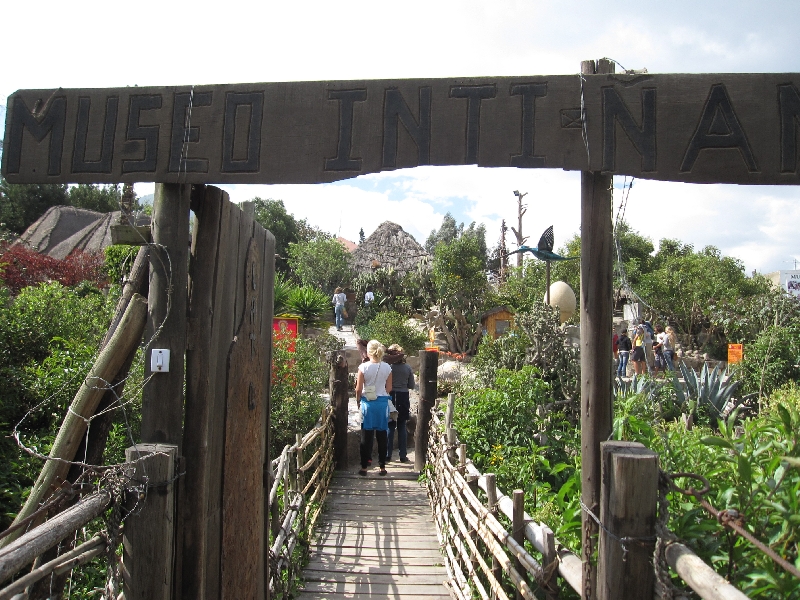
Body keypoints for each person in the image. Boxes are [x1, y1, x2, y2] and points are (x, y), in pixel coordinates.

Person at [356, 340, 393, 476]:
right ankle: (382, 466)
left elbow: (359, 388)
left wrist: (358, 400)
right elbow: (389, 388)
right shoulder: (387, 368)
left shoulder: (363, 367)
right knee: (382, 435)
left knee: (366, 436)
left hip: (368, 404)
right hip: (382, 404)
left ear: (368, 352)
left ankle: (364, 467)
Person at [385, 344, 414, 464]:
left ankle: (388, 454)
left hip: (391, 396)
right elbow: (411, 385)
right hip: (403, 397)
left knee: (390, 426)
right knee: (402, 426)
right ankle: (403, 455)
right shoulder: (407, 368)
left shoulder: (388, 367)